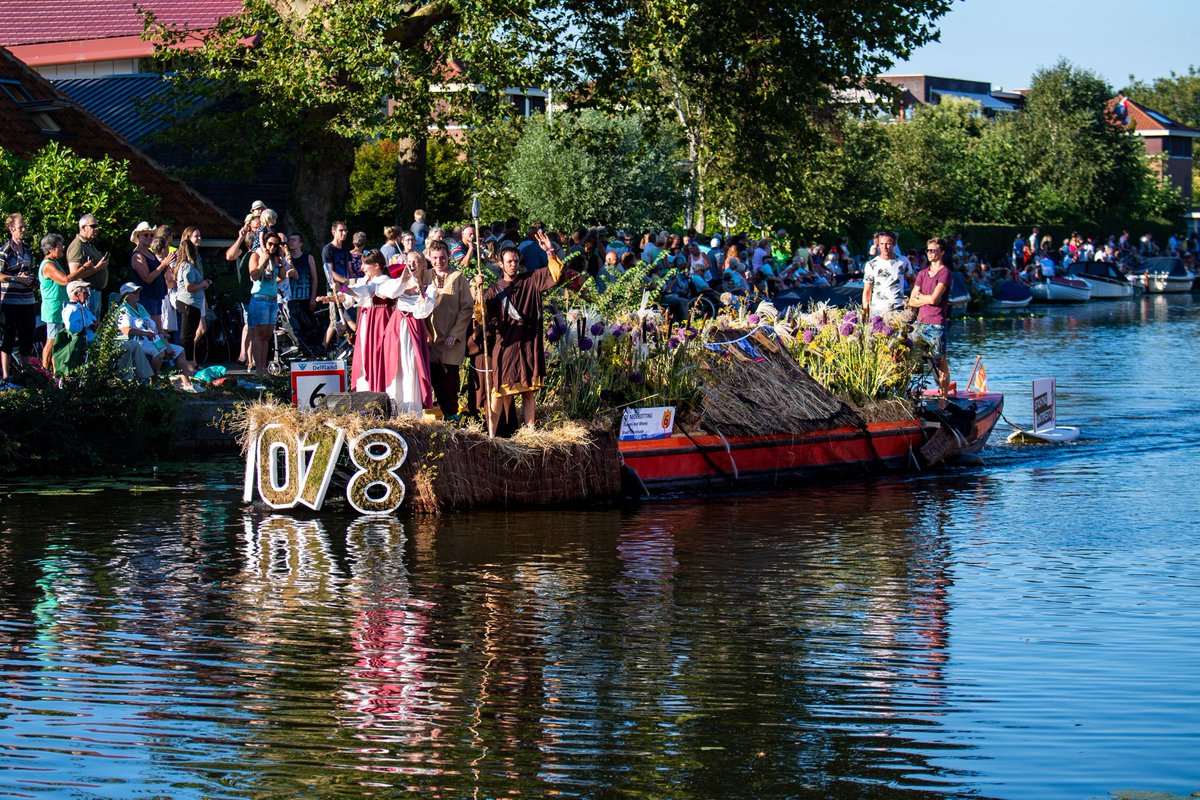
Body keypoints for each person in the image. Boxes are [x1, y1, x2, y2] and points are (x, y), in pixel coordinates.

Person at [478, 231, 564, 436]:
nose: (513, 265)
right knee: (498, 392)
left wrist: (550, 252)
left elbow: (555, 274)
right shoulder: (493, 290)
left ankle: (530, 435)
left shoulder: (532, 280)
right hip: (506, 345)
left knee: (528, 391)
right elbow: (481, 317)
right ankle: (491, 436)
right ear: (500, 264)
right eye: (509, 262)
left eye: (515, 261)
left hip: (528, 344)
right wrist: (478, 293)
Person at [342, 251, 436, 412]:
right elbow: (368, 289)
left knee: (410, 366)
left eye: (416, 262)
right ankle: (393, 409)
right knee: (393, 367)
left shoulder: (430, 288)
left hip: (412, 328)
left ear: (423, 266)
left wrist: (423, 297)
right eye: (409, 261)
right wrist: (343, 288)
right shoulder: (393, 284)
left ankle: (410, 411)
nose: (411, 265)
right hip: (395, 327)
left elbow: (423, 312)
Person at [424, 239, 475, 419]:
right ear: (429, 258)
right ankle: (433, 416)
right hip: (430, 337)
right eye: (435, 258)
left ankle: (452, 416)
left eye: (443, 258)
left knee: (449, 381)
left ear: (448, 257)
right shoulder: (424, 276)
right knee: (430, 378)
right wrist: (425, 334)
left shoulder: (458, 277)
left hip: (450, 339)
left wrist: (456, 333)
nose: (439, 261)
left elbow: (467, 308)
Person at [116, 282, 195, 390]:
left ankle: (187, 384)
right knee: (159, 353)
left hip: (154, 339)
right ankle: (153, 382)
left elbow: (151, 325)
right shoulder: (123, 310)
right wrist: (145, 333)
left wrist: (162, 334)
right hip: (139, 341)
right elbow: (125, 330)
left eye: (138, 291)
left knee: (179, 351)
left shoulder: (140, 307)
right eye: (134, 292)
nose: (138, 294)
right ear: (126, 295)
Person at [908, 238, 953, 406]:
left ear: (942, 252)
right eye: (928, 250)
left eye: (933, 250)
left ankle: (943, 399)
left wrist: (923, 298)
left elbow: (935, 299)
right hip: (919, 322)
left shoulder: (945, 273)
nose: (929, 253)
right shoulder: (922, 273)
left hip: (936, 323)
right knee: (911, 360)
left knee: (939, 361)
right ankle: (909, 395)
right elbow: (911, 300)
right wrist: (926, 299)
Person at [248, 233, 294, 375]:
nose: (272, 247)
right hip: (260, 298)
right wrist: (263, 261)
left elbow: (282, 276)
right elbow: (253, 275)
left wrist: (281, 261)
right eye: (270, 244)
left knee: (267, 335)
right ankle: (259, 368)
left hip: (273, 299)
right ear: (265, 243)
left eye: (275, 245)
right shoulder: (256, 255)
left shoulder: (275, 258)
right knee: (259, 333)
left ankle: (263, 367)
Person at [1, 213, 38, 382]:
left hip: (28, 299)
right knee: (8, 337)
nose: (23, 230)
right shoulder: (5, 251)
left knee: (27, 336)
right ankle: (6, 375)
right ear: (11, 229)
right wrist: (17, 279)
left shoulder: (28, 249)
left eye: (24, 227)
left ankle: (25, 372)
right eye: (20, 227)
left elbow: (31, 270)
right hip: (10, 301)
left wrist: (31, 281)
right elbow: (0, 275)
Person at [174, 227, 212, 376]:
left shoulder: (191, 265)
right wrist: (204, 284)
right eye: (196, 236)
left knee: (190, 334)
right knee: (187, 335)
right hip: (188, 303)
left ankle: (191, 362)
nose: (199, 239)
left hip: (195, 303)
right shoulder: (187, 266)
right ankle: (187, 364)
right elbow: (189, 287)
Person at [129, 221, 175, 334]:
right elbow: (147, 278)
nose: (149, 237)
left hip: (156, 296)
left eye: (151, 235)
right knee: (153, 331)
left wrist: (167, 264)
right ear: (138, 236)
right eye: (146, 235)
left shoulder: (150, 253)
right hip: (147, 297)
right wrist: (163, 264)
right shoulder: (138, 255)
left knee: (159, 331)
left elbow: (159, 273)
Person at [66, 214, 110, 317]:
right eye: (93, 226)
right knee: (89, 324)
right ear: (83, 227)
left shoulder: (88, 244)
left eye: (97, 226)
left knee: (95, 324)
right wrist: (97, 268)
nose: (96, 229)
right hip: (86, 294)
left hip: (94, 294)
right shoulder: (77, 246)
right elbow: (75, 275)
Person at [862, 229, 906, 320]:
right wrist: (865, 313)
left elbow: (913, 280)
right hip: (877, 310)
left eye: (888, 244)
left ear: (894, 244)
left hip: (898, 309)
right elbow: (867, 291)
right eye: (881, 244)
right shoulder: (871, 264)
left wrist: (911, 304)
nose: (884, 247)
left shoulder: (903, 261)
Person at [285, 232, 320, 347]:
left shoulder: (308, 258)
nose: (291, 242)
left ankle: (313, 348)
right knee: (296, 328)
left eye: (294, 240)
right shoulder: (287, 259)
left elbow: (314, 278)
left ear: (301, 243)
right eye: (290, 240)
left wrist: (313, 298)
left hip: (306, 298)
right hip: (292, 299)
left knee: (309, 326)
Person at [54, 280, 96, 375]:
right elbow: (72, 328)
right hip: (83, 346)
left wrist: (92, 323)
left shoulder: (82, 308)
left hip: (91, 344)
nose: (88, 295)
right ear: (76, 294)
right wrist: (89, 323)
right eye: (85, 293)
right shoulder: (71, 309)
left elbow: (95, 321)